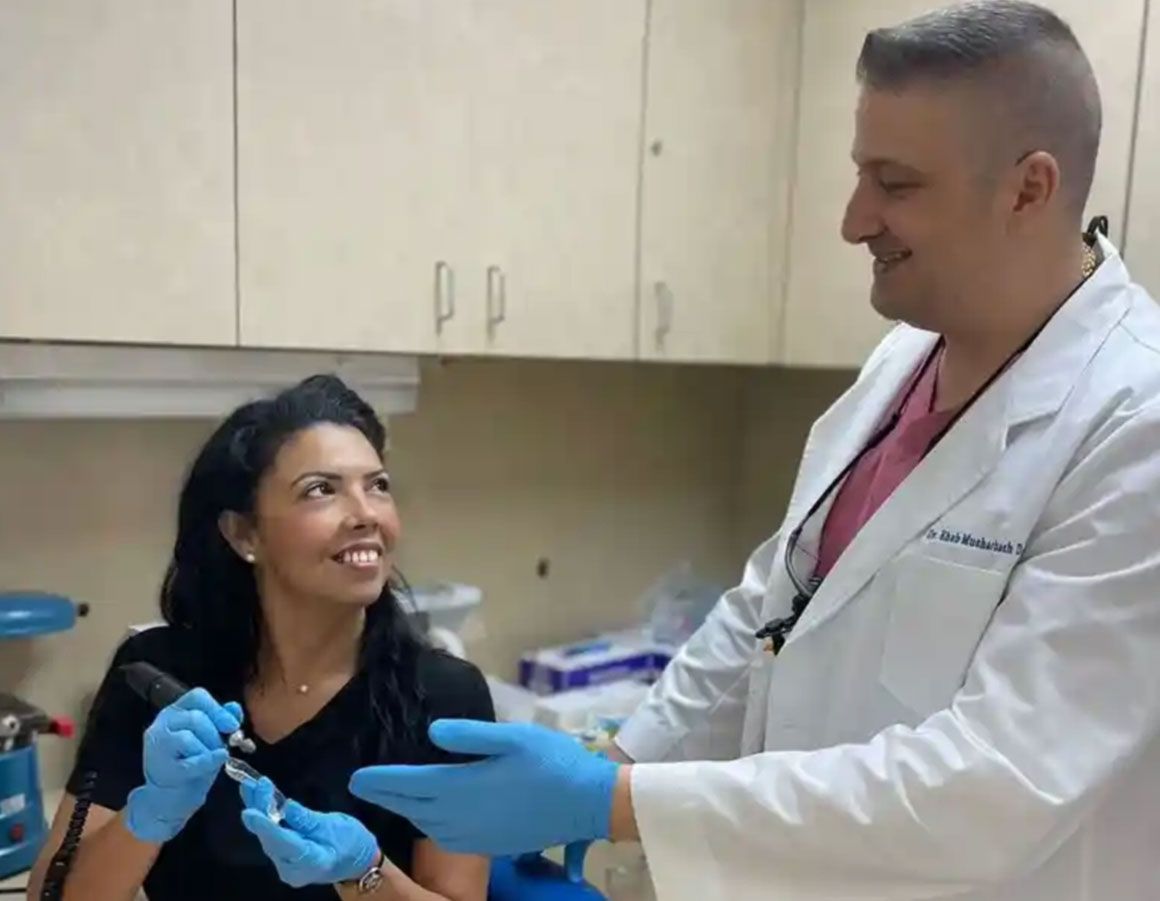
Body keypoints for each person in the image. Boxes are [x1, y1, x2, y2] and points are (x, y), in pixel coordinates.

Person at [343, 3, 1160, 900]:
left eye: (896, 183)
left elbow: (996, 787)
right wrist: (619, 756)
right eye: (859, 174)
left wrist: (618, 799)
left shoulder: (1132, 424)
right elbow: (772, 609)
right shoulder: (905, 357)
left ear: (1028, 189)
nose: (854, 220)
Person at [26, 375, 493, 901]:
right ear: (243, 534)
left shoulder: (445, 699)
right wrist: (149, 814)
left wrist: (367, 872)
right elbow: (53, 895)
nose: (366, 514)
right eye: (322, 489)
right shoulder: (157, 680)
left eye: (377, 485)